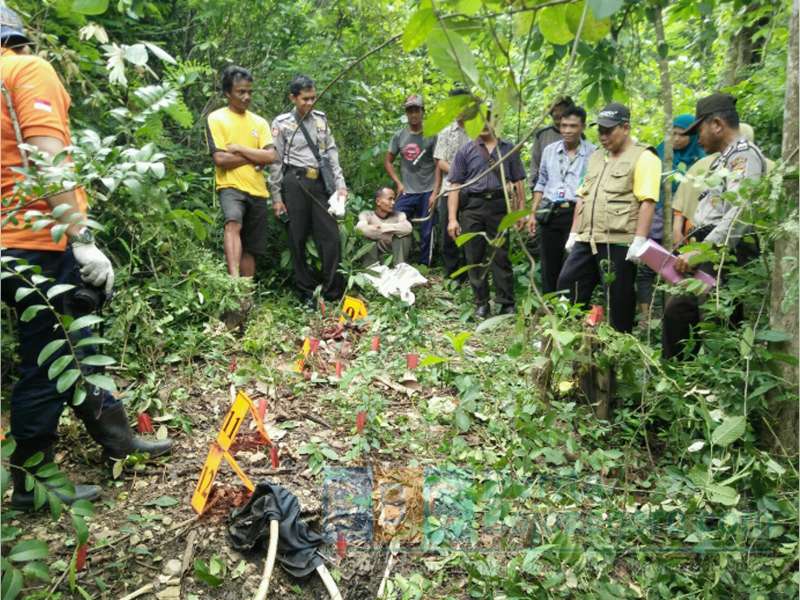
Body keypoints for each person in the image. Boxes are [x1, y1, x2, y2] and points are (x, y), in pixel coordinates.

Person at [0, 7, 171, 510]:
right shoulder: (26, 71)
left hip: (9, 243)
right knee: (46, 361)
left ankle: (117, 439)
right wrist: (79, 238)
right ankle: (33, 487)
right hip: (37, 242)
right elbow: (47, 159)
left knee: (75, 342)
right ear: (18, 38)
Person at [662, 94, 767, 359]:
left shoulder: (743, 157)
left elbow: (738, 213)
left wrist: (703, 252)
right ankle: (679, 377)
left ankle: (720, 389)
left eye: (700, 130)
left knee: (720, 321)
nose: (698, 139)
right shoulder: (722, 160)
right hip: (709, 248)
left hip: (727, 252)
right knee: (680, 311)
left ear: (717, 124)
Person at [556, 103, 661, 333]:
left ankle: (619, 344)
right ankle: (565, 333)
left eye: (608, 130)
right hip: (588, 238)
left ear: (625, 128)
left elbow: (648, 201)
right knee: (567, 283)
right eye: (599, 130)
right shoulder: (596, 157)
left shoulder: (644, 157)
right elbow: (582, 196)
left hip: (618, 239)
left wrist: (639, 240)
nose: (602, 136)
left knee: (618, 298)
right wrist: (574, 232)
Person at [269, 75, 347, 304]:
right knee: (297, 237)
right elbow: (275, 162)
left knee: (330, 236)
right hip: (295, 181)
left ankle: (333, 290)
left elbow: (331, 153)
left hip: (320, 182)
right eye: (305, 99)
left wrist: (340, 184)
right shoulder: (282, 124)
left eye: (313, 98)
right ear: (293, 98)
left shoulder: (321, 120)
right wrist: (276, 197)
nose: (310, 103)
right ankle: (306, 291)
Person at [447, 112, 527, 318]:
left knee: (500, 255)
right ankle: (481, 302)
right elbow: (455, 185)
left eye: (488, 119)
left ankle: (506, 301)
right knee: (474, 254)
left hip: (500, 206)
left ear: (496, 122)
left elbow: (518, 182)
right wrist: (452, 218)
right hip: (473, 207)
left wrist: (520, 213)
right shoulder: (465, 151)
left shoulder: (508, 149)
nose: (483, 124)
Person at [206, 65, 277, 279]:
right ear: (228, 93)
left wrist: (239, 149)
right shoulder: (216, 118)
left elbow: (271, 156)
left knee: (251, 247)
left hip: (257, 190)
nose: (246, 97)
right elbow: (220, 159)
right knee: (233, 222)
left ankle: (245, 293)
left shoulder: (260, 122)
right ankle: (234, 281)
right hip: (230, 186)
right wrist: (254, 156)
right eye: (241, 92)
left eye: (249, 92)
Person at [636, 114, 706, 324]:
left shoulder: (701, 158)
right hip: (658, 214)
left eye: (681, 134)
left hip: (686, 219)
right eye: (672, 134)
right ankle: (646, 318)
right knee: (648, 265)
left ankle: (675, 315)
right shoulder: (660, 152)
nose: (676, 139)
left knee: (679, 267)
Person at [528, 105, 595, 294]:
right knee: (549, 263)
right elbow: (541, 182)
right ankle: (549, 304)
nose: (567, 130)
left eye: (573, 126)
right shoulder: (550, 150)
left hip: (577, 213)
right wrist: (533, 213)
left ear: (582, 127)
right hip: (550, 212)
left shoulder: (593, 153)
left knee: (573, 264)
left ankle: (568, 306)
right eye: (564, 125)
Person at [384, 94, 437, 265]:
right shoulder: (399, 136)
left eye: (416, 110)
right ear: (406, 113)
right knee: (396, 223)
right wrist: (398, 183)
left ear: (423, 111)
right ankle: (398, 262)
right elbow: (388, 161)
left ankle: (424, 266)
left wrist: (435, 192)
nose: (413, 114)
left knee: (427, 230)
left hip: (428, 189)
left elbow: (439, 165)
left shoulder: (432, 135)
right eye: (410, 111)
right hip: (407, 190)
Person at [431, 89, 474, 280]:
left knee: (470, 231)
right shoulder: (446, 132)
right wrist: (459, 175)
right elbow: (440, 162)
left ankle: (470, 270)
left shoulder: (477, 131)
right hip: (449, 190)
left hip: (473, 189)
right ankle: (452, 274)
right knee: (448, 233)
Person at [528, 96, 575, 193]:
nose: (557, 114)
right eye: (554, 110)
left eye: (561, 110)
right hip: (545, 189)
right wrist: (533, 186)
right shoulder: (542, 134)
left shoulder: (578, 135)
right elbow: (535, 162)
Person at [356, 187, 412, 266]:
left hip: (394, 256)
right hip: (376, 257)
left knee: (405, 236)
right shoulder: (367, 214)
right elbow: (360, 229)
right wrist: (393, 230)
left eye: (394, 199)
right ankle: (371, 268)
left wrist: (382, 227)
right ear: (378, 201)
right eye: (390, 199)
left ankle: (400, 266)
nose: (393, 203)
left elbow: (408, 228)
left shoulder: (399, 215)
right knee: (365, 236)